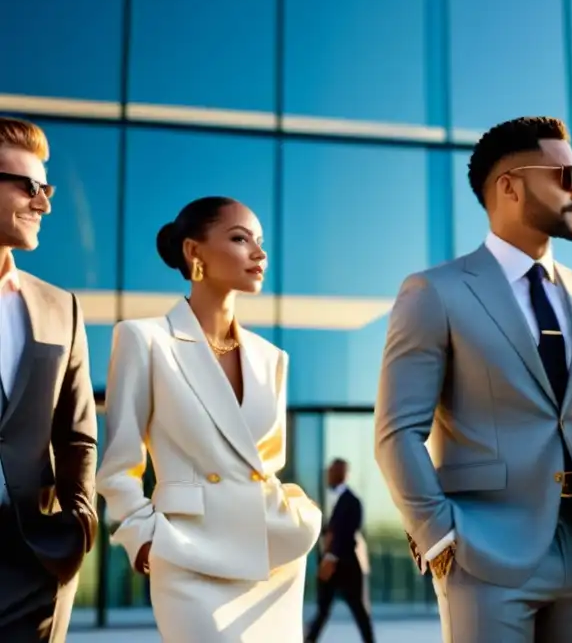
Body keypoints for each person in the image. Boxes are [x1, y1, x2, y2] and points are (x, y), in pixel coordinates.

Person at [374, 116, 572, 642]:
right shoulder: (435, 292)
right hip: (485, 554)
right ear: (510, 186)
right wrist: (439, 537)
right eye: (566, 176)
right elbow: (397, 431)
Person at [97, 196, 321, 642]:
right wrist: (142, 536)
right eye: (240, 239)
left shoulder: (270, 357)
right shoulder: (144, 339)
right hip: (187, 555)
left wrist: (302, 516)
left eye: (260, 242)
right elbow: (120, 464)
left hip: (270, 556)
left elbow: (265, 465)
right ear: (194, 252)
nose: (259, 254)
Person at [0, 118, 98, 642]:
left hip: (34, 562)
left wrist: (79, 523)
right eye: (30, 186)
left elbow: (78, 433)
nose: (45, 203)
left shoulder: (63, 309)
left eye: (48, 188)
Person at [306, 458, 374, 643]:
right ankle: (309, 639)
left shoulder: (353, 501)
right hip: (328, 563)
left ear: (342, 473)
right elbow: (331, 530)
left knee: (358, 609)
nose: (329, 475)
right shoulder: (327, 499)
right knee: (323, 609)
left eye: (333, 471)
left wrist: (331, 557)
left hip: (346, 565)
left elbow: (347, 533)